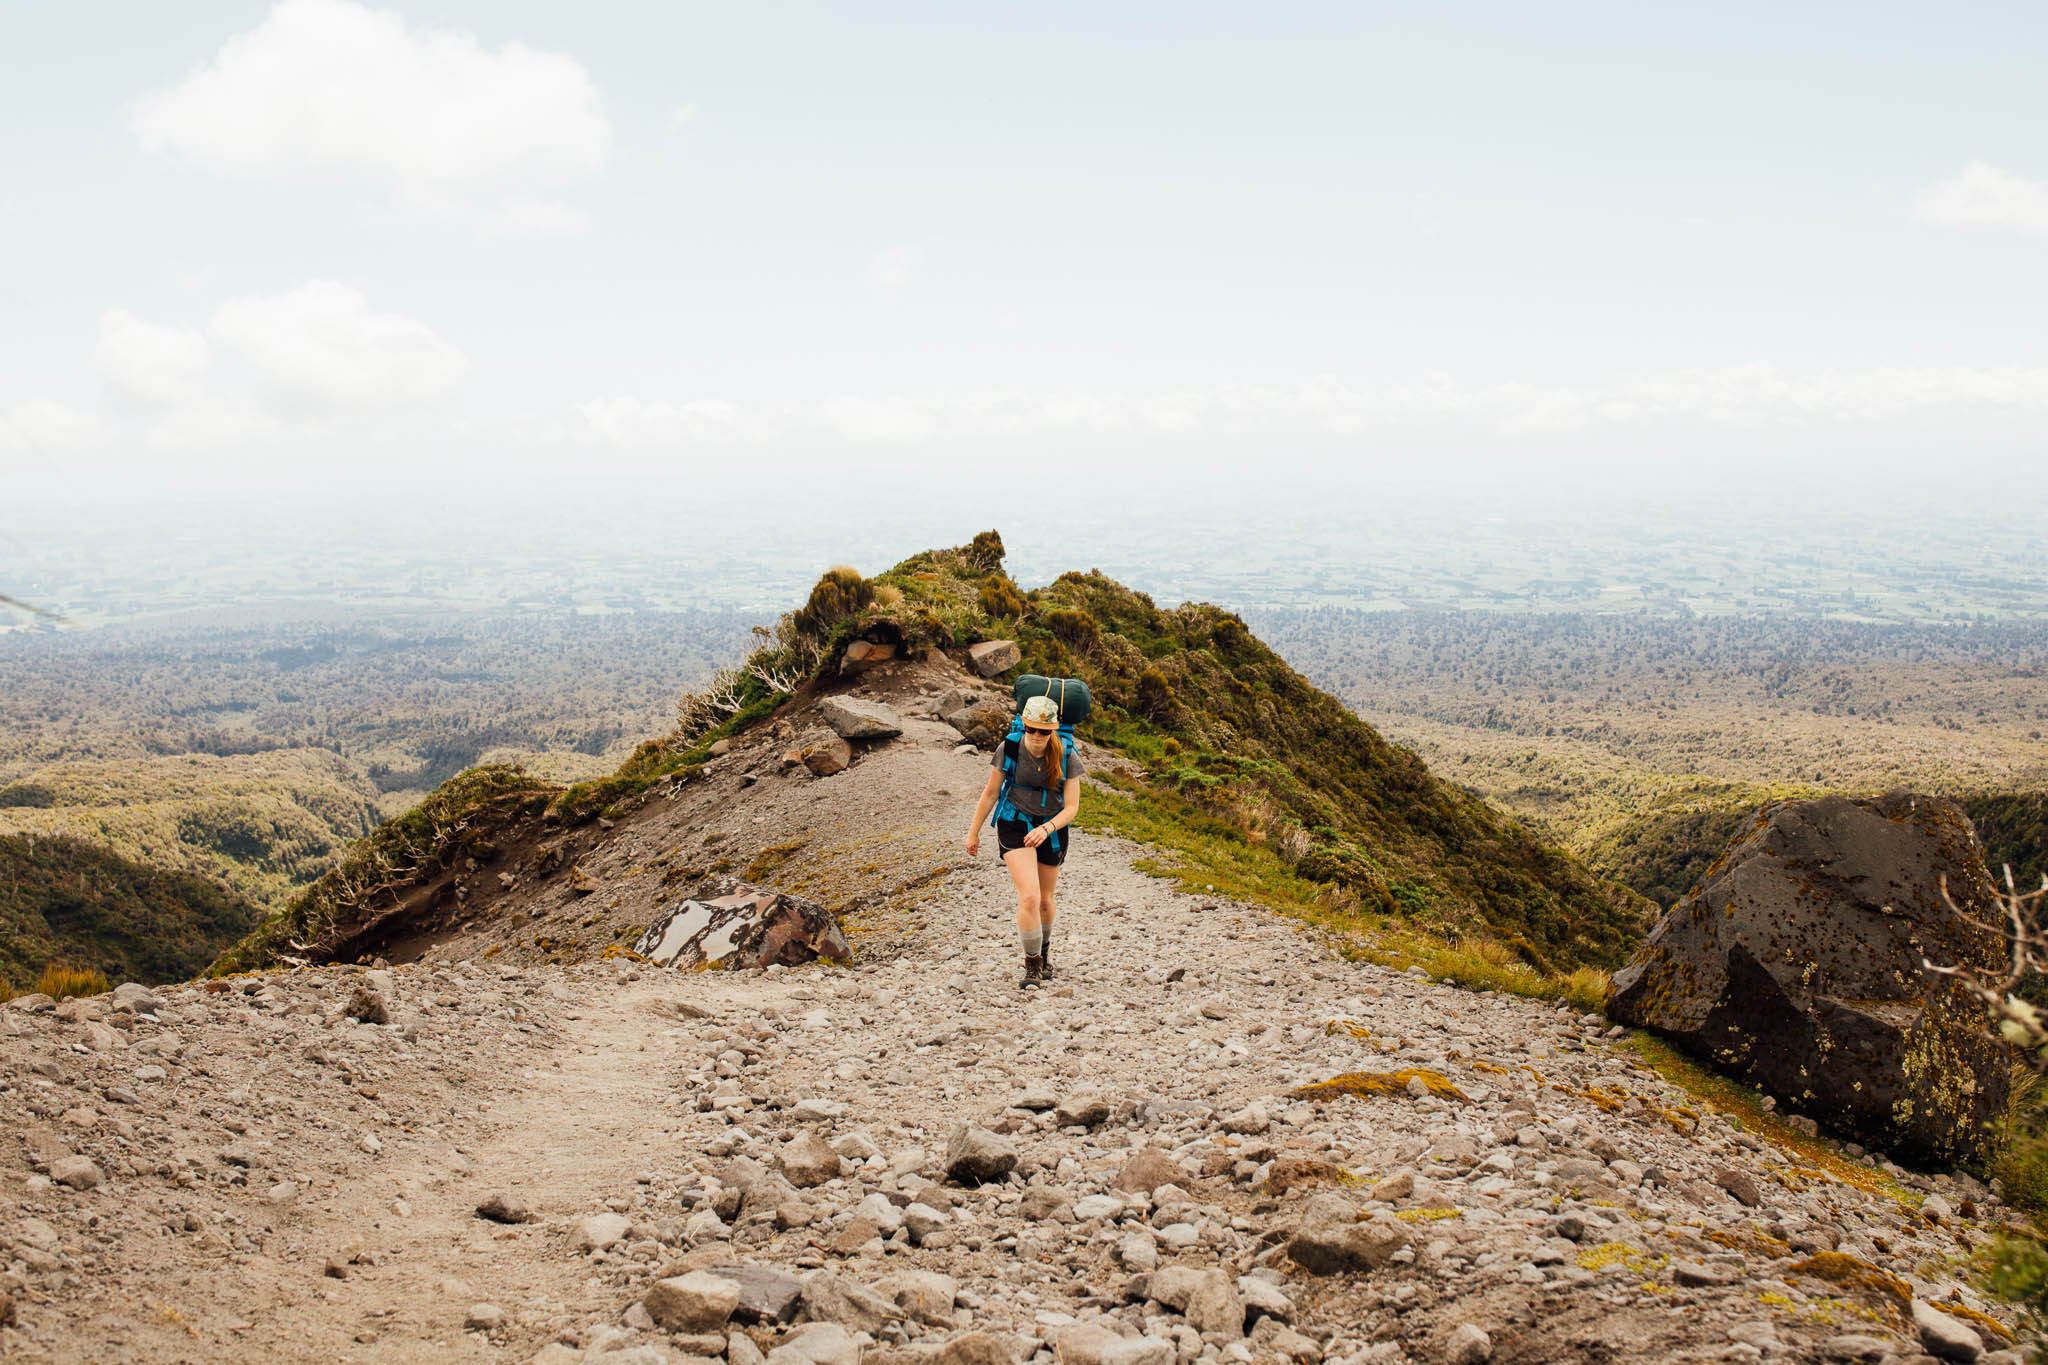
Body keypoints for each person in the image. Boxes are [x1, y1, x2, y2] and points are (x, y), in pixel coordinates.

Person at [965, 693, 1084, 989]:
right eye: (1031, 728)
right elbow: (990, 792)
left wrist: (1047, 828)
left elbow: (1071, 807)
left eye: (1044, 731)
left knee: (1045, 900)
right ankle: (1031, 964)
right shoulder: (1010, 747)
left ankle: (1044, 955)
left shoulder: (1067, 754)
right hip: (1014, 822)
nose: (1036, 735)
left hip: (1051, 829)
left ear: (1053, 730)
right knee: (1029, 897)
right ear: (1023, 725)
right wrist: (973, 831)